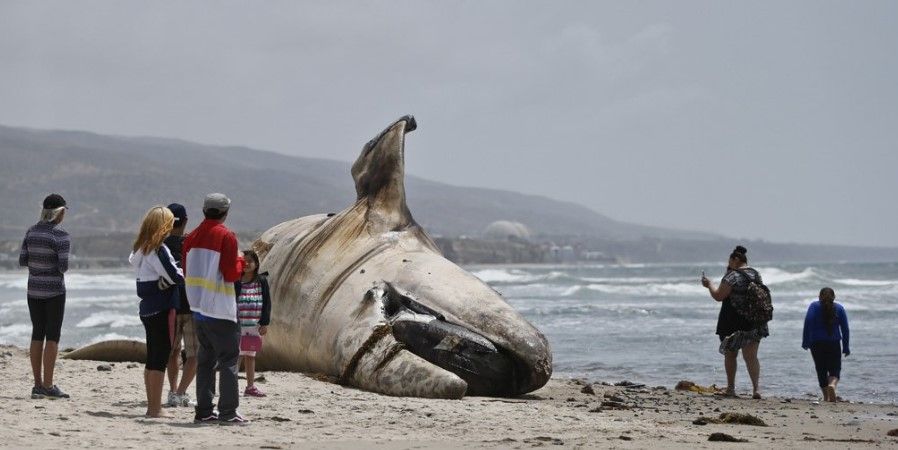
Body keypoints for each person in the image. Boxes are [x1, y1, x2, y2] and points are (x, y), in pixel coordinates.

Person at [183, 193, 248, 425]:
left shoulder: (190, 237)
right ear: (225, 212)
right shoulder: (226, 236)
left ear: (204, 211)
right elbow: (231, 274)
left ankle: (204, 411)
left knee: (205, 361)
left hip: (198, 308)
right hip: (220, 308)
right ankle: (228, 412)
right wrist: (242, 262)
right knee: (229, 360)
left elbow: (186, 270)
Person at [130, 206, 184, 418]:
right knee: (160, 358)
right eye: (170, 222)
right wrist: (181, 273)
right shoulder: (158, 249)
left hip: (147, 309)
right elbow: (175, 276)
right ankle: (154, 408)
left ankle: (152, 406)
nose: (172, 226)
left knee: (153, 357)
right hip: (161, 308)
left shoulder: (141, 249)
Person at [19, 193, 71, 399]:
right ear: (59, 213)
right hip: (54, 292)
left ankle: (37, 385)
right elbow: (63, 267)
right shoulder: (61, 236)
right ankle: (48, 385)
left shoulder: (31, 232)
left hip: (33, 291)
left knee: (37, 334)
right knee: (53, 336)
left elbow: (23, 260)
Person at [701, 245, 769, 399]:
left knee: (731, 355)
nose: (728, 264)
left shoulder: (731, 276)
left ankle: (731, 388)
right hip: (754, 320)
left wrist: (709, 284)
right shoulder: (756, 274)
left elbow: (719, 296)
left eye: (730, 261)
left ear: (735, 259)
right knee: (751, 357)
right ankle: (756, 389)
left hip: (732, 320)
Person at [163, 203, 198, 407]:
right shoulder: (192, 244)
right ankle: (181, 392)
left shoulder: (159, 246)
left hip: (170, 307)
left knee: (172, 352)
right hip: (193, 306)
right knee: (194, 354)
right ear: (185, 221)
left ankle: (172, 390)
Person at [802, 287, 850, 402]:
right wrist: (846, 346)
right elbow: (845, 329)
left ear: (819, 296)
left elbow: (808, 322)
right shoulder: (839, 308)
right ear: (834, 297)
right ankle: (832, 385)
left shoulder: (814, 306)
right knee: (835, 369)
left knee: (821, 369)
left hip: (816, 343)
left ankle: (826, 397)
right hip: (834, 343)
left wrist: (805, 340)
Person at [235, 250, 272, 398]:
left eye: (250, 261)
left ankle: (250, 386)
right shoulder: (236, 280)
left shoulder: (261, 281)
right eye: (244, 260)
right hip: (237, 324)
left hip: (253, 325)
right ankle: (232, 385)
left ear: (256, 264)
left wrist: (264, 323)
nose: (247, 263)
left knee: (250, 355)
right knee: (235, 355)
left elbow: (267, 303)